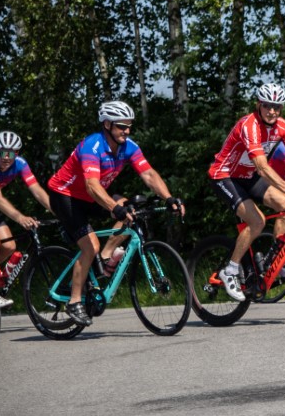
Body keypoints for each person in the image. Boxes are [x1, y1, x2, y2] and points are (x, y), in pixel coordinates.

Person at [48, 101, 185, 326]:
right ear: (107, 124)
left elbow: (149, 174)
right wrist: (114, 208)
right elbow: (92, 185)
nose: (127, 131)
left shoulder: (128, 146)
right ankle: (74, 301)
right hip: (66, 196)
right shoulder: (92, 146)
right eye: (122, 126)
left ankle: (105, 257)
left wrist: (168, 198)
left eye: (129, 126)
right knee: (90, 245)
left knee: (130, 210)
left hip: (92, 196)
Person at [208, 84, 285, 301]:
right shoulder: (249, 125)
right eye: (267, 106)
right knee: (257, 221)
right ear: (259, 105)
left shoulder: (283, 126)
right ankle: (230, 270)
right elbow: (262, 167)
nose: (272, 111)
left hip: (248, 176)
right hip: (225, 176)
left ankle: (275, 260)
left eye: (277, 107)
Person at [0, 132, 53, 308]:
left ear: (17, 154)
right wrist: (20, 217)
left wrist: (58, 211)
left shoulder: (20, 164)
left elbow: (36, 190)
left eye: (11, 153)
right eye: (2, 153)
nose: (6, 158)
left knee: (9, 246)